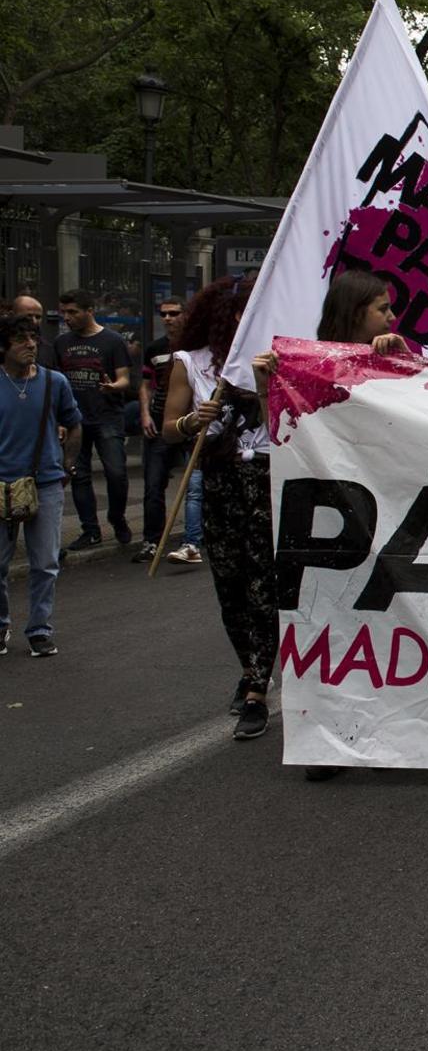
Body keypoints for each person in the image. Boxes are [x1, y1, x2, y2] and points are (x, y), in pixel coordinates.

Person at [161, 276, 280, 740]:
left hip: (266, 481)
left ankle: (256, 689)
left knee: (262, 585)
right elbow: (171, 428)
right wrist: (194, 420)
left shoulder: (273, 360)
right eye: (238, 313)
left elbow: (292, 425)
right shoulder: (188, 364)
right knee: (229, 586)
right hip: (220, 482)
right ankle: (250, 667)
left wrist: (269, 386)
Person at [0, 314, 82, 656]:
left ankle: (39, 629)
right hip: (0, 484)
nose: (31, 345)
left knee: (45, 562)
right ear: (3, 347)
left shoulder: (55, 382)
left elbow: (74, 423)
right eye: (21, 340)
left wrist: (68, 464)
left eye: (33, 338)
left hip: (45, 481)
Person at [54, 289, 133, 548]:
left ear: (90, 311)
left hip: (107, 417)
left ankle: (117, 517)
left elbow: (125, 379)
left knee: (116, 473)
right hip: (75, 419)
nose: (67, 317)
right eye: (64, 312)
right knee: (79, 474)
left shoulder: (113, 341)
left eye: (73, 312)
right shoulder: (62, 344)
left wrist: (114, 386)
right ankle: (90, 530)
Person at [137, 296, 204, 566]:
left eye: (174, 313)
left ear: (185, 315)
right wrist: (144, 414)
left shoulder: (196, 348)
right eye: (163, 313)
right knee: (153, 484)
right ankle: (152, 541)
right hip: (161, 422)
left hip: (193, 424)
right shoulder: (155, 348)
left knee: (195, 486)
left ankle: (192, 541)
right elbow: (145, 384)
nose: (167, 318)